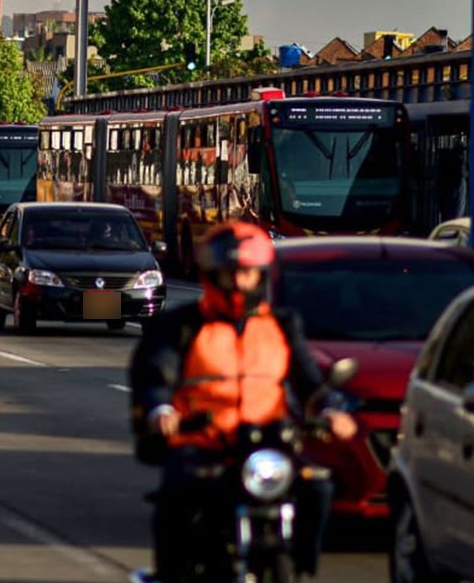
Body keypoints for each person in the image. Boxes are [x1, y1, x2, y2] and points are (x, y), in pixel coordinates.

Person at [128, 220, 358, 583]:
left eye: (247, 273)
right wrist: (162, 411)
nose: (238, 282)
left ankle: (299, 563)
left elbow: (309, 380)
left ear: (262, 276)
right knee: (175, 497)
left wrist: (330, 410)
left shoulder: (282, 325)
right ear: (212, 274)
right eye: (229, 273)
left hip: (268, 443)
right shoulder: (183, 324)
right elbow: (157, 374)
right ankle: (169, 574)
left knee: (318, 485)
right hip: (203, 443)